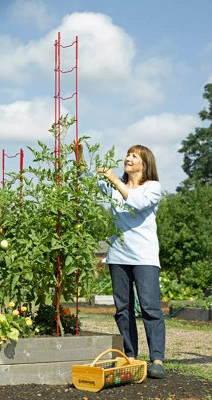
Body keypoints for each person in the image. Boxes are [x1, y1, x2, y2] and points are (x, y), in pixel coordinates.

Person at [73, 141, 166, 379]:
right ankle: (130, 356)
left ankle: (157, 359)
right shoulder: (116, 186)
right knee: (122, 309)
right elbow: (86, 180)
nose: (129, 158)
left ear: (145, 164)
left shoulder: (152, 187)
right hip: (118, 256)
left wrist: (115, 180)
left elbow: (134, 202)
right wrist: (79, 154)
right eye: (128, 155)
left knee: (150, 308)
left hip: (144, 257)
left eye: (134, 156)